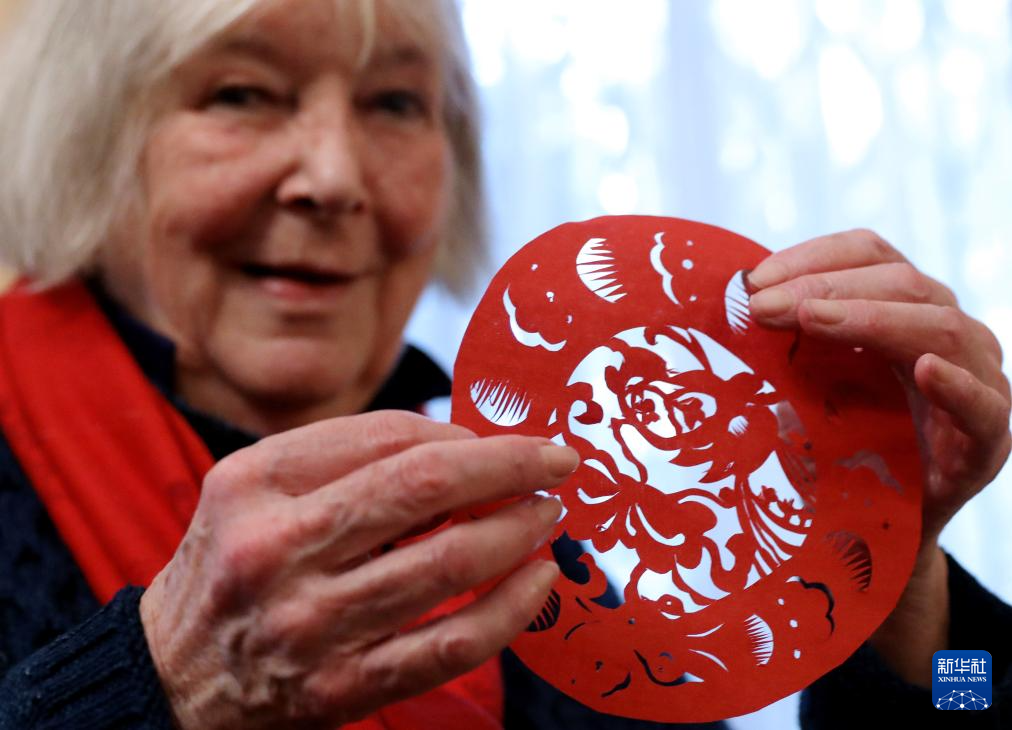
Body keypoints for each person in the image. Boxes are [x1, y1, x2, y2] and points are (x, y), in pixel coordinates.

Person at [0, 1, 1007, 729]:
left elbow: (974, 696)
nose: (335, 177)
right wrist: (161, 687)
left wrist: (902, 598)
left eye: (395, 104)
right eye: (242, 94)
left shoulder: (572, 517)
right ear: (93, 142)